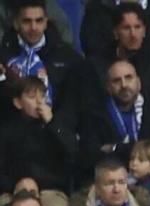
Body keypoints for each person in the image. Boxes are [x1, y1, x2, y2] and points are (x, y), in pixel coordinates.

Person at [0, 0, 88, 129]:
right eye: (27, 21)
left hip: (54, 132)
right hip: (11, 135)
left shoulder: (68, 57)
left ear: (46, 22)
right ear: (16, 23)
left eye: (39, 20)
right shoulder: (3, 56)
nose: (34, 27)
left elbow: (74, 105)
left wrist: (56, 126)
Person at [0, 78, 77, 206]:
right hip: (15, 190)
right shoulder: (7, 131)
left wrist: (52, 124)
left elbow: (72, 152)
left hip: (49, 191)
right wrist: (16, 185)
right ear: (18, 103)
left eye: (43, 96)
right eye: (32, 97)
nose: (39, 102)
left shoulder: (57, 125)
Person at [82, 58, 150, 168]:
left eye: (128, 78)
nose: (124, 85)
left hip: (148, 178)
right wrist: (145, 146)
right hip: (110, 176)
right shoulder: (93, 114)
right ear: (108, 88)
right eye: (116, 81)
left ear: (139, 83)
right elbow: (91, 156)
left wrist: (114, 148)